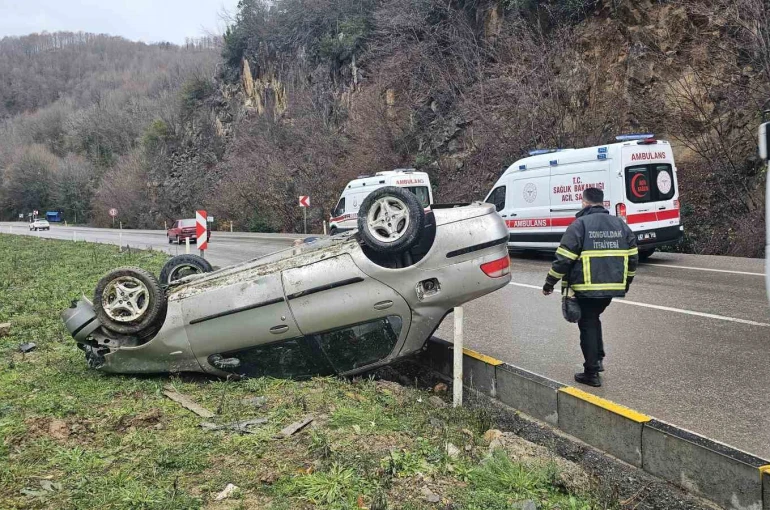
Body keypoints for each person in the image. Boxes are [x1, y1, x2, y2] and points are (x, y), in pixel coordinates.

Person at [542, 187, 638, 387]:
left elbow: (563, 259)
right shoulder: (620, 224)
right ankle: (598, 358)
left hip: (586, 288)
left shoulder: (580, 225)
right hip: (611, 288)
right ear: (602, 202)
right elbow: (633, 257)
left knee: (587, 324)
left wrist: (550, 283)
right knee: (593, 319)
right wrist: (626, 282)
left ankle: (591, 372)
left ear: (584, 202)